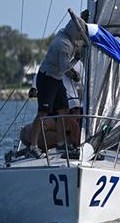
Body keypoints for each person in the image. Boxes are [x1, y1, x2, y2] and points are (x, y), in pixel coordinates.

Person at [27, 17, 85, 157]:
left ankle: (60, 144)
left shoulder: (68, 38)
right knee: (42, 113)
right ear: (73, 31)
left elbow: (65, 66)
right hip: (47, 78)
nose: (80, 36)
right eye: (79, 32)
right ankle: (33, 146)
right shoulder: (63, 44)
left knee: (63, 110)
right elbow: (65, 67)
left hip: (57, 78)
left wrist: (76, 58)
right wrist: (75, 73)